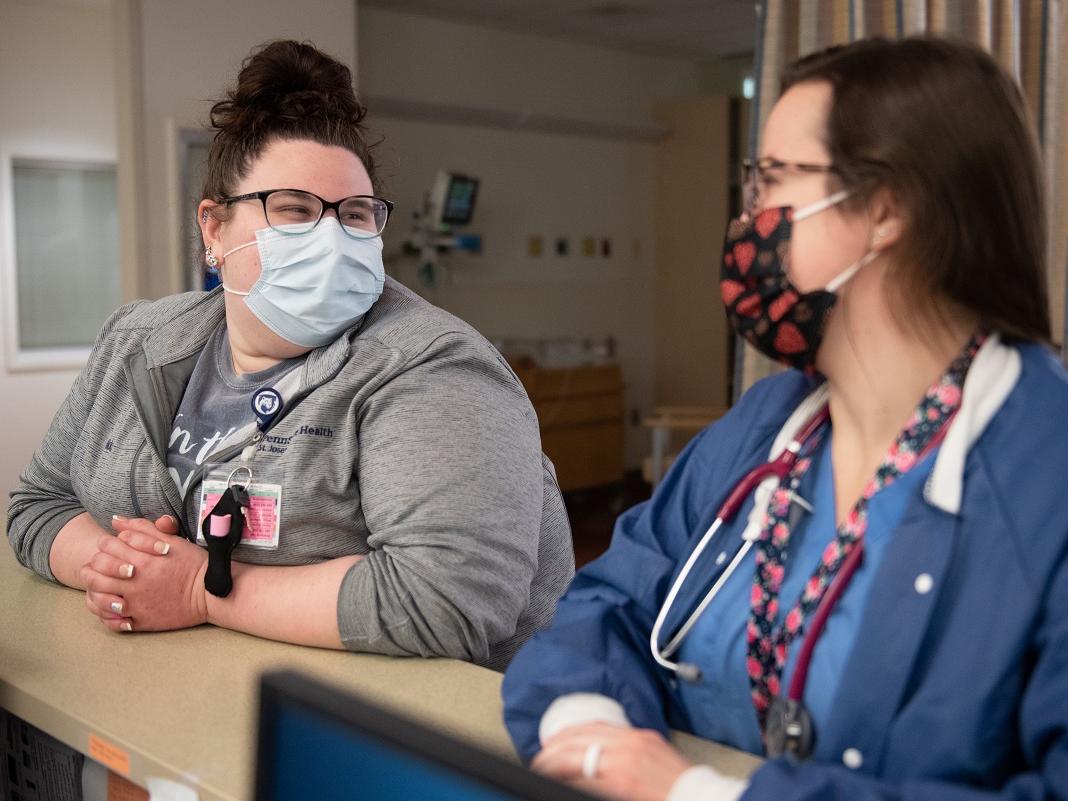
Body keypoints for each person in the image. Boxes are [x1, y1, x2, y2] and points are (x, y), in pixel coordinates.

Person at [502, 36, 1068, 800]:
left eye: (771, 179)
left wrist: (695, 794)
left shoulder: (1046, 472)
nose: (747, 219)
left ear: (887, 209)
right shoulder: (768, 428)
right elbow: (607, 607)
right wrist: (588, 735)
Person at [7, 40, 573, 671]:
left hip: (401, 737)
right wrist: (118, 568)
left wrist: (202, 591)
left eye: (356, 215)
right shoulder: (139, 340)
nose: (331, 237)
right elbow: (38, 505)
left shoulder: (433, 366)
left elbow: (447, 600)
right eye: (295, 210)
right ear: (213, 229)